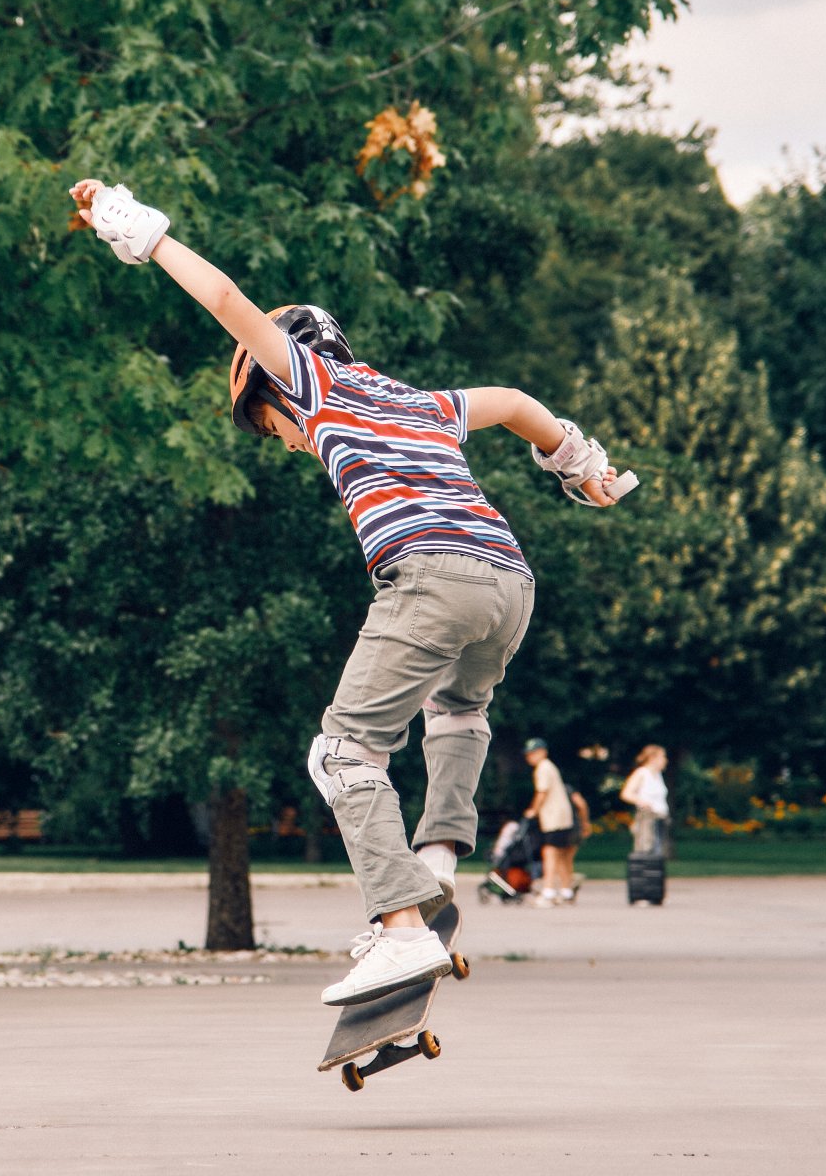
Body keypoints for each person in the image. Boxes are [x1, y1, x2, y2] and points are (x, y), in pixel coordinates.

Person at [69, 179, 631, 1005]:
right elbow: (513, 403)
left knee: (341, 752)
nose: (291, 444)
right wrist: (582, 468)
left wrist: (142, 235)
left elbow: (225, 297)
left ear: (276, 388)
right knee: (457, 711)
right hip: (511, 581)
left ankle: (401, 929)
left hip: (433, 574)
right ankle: (437, 862)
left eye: (273, 429)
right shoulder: (417, 400)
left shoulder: (311, 380)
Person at [523, 739, 578, 904]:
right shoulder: (549, 766)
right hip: (562, 816)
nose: (530, 757)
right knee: (562, 854)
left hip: (553, 817)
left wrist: (533, 810)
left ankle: (548, 890)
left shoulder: (543, 768)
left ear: (543, 752)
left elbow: (542, 792)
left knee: (550, 851)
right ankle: (566, 890)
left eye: (533, 753)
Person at [621, 744, 671, 857]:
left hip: (660, 817)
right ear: (653, 758)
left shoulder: (658, 775)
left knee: (657, 850)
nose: (665, 760)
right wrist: (642, 801)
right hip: (647, 817)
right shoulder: (641, 773)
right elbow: (626, 793)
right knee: (646, 848)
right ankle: (644, 874)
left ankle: (653, 873)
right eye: (663, 756)